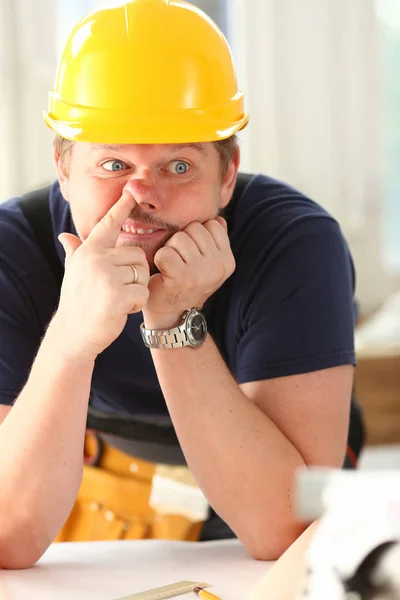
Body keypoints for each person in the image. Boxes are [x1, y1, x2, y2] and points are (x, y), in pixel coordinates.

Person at [0, 0, 363, 569]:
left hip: (266, 469)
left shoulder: (295, 245)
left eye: (178, 166)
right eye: (114, 165)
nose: (142, 196)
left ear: (227, 176)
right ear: (64, 168)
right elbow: (7, 536)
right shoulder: (10, 254)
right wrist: (70, 336)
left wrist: (173, 320)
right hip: (98, 476)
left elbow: (288, 532)